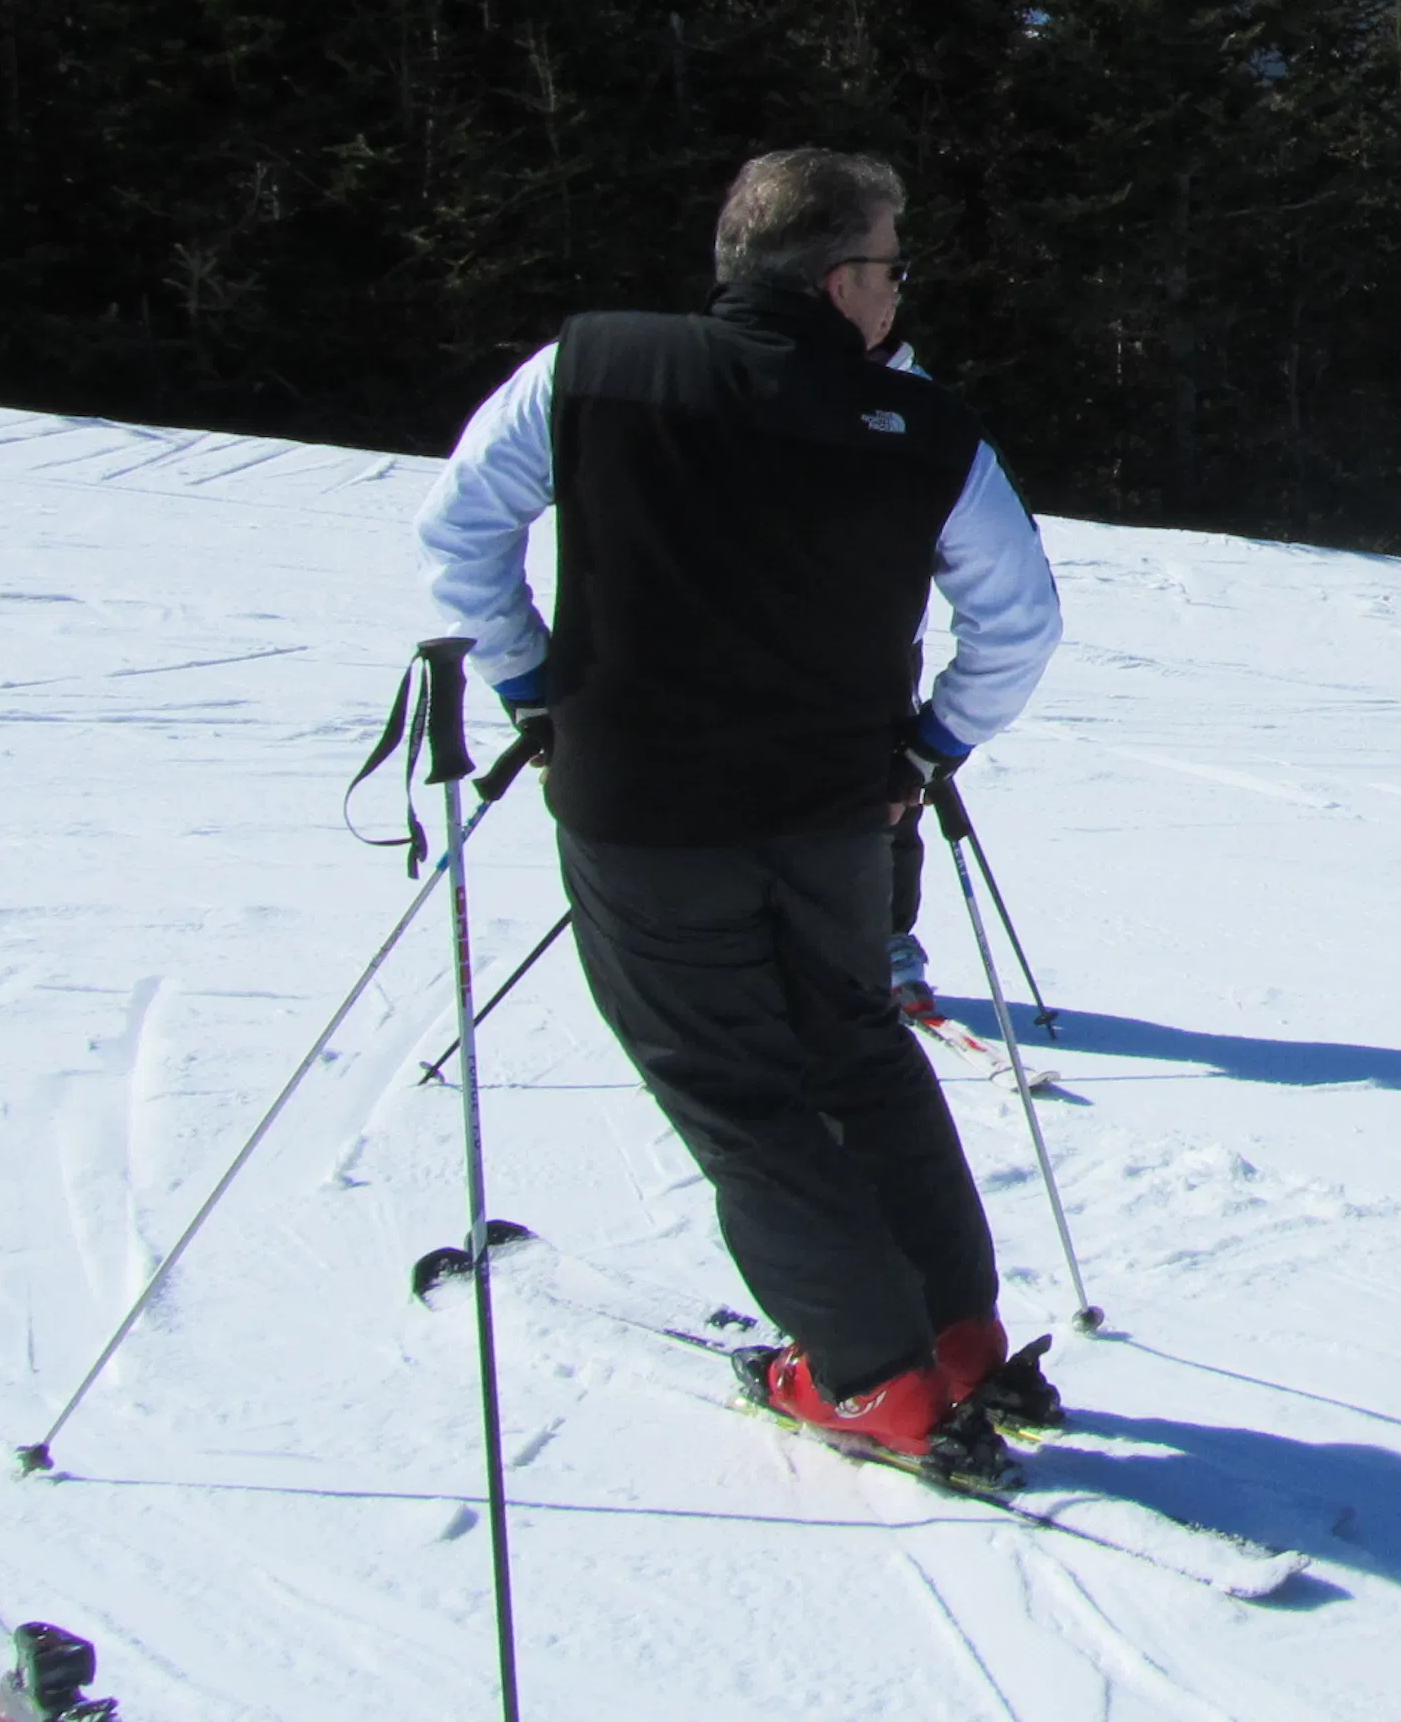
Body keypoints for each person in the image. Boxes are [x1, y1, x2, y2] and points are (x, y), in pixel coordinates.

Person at [413, 148, 1065, 1475]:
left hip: (640, 808)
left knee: (736, 1086)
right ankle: (952, 1338)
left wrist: (533, 680)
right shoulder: (922, 424)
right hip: (835, 809)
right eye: (891, 267)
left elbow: (460, 529)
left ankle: (872, 1377)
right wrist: (935, 742)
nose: (900, 296)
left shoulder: (592, 368)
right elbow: (1021, 617)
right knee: (857, 1050)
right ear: (836, 282)